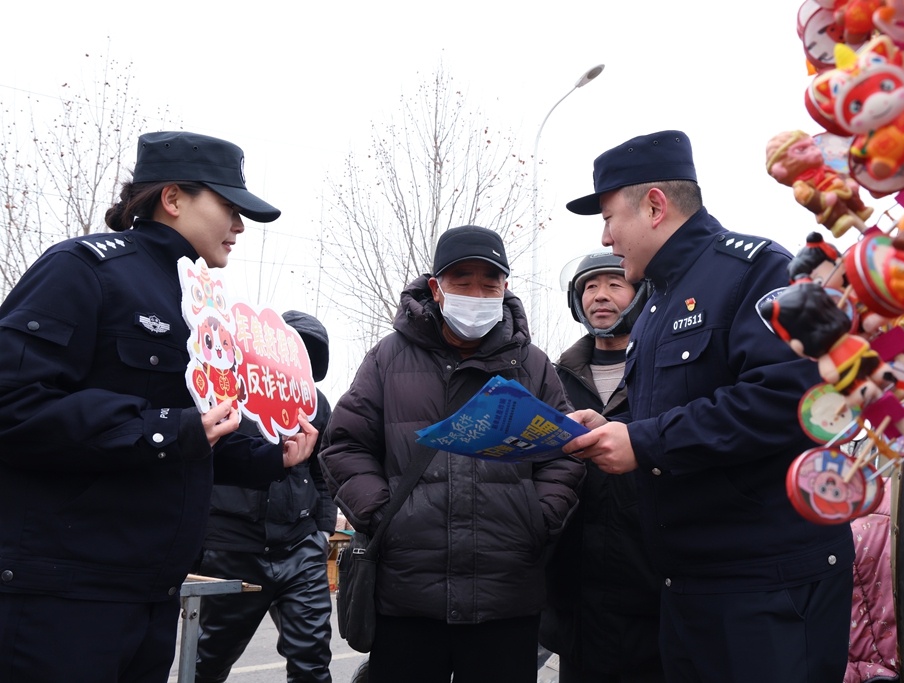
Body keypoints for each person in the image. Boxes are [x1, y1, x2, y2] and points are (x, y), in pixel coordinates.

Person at [0, 131, 318, 683]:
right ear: (172, 198)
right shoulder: (84, 269)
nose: (240, 227)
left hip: (154, 593)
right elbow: (14, 406)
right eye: (230, 207)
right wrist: (169, 429)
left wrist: (272, 456)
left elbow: (195, 430)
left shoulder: (203, 305)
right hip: (63, 595)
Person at [562, 131, 854, 683]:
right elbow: (685, 410)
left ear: (654, 206)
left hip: (767, 586)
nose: (605, 236)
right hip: (688, 585)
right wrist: (616, 429)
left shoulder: (757, 270)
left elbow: (793, 396)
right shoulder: (653, 307)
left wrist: (643, 442)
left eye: (608, 217)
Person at [319, 225, 585, 683]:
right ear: (437, 288)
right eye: (462, 281)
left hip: (507, 596)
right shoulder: (388, 358)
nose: (477, 292)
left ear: (505, 288)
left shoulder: (534, 365)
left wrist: (538, 516)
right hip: (407, 594)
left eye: (490, 282)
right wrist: (384, 514)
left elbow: (564, 451)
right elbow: (344, 444)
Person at [540, 251, 664, 683]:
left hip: (654, 587)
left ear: (640, 291)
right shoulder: (552, 379)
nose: (600, 296)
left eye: (614, 283)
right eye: (589, 287)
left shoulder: (665, 369)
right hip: (576, 591)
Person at [194, 310, 336, 683]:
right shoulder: (226, 392)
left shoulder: (317, 405)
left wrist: (320, 532)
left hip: (300, 545)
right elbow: (201, 460)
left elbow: (324, 474)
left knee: (312, 658)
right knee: (209, 659)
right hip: (232, 549)